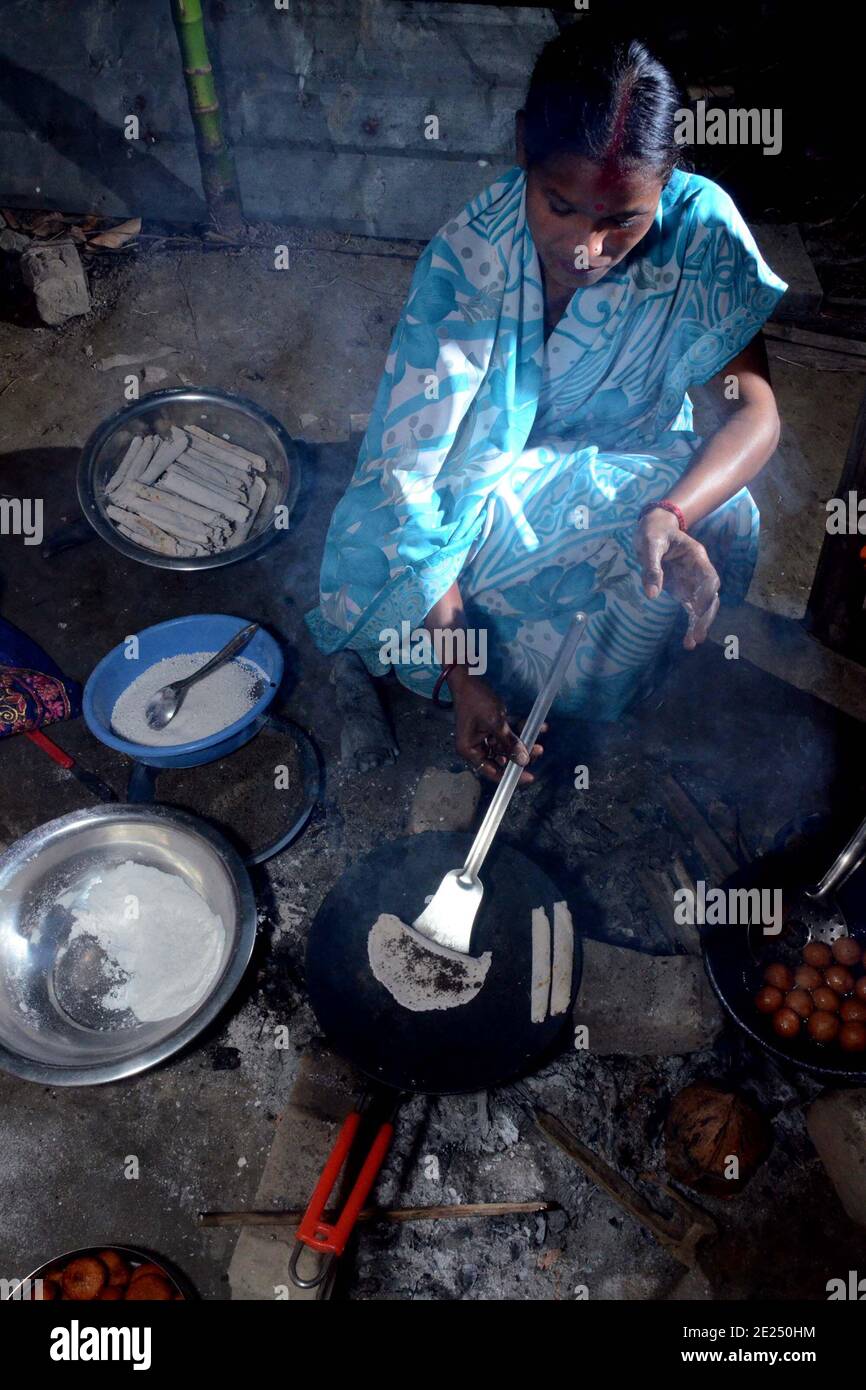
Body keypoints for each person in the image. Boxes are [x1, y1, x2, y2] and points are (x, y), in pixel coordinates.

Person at [306, 26, 786, 784]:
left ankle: (599, 690)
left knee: (723, 515)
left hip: (629, 466)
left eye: (623, 220)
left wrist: (674, 512)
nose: (588, 249)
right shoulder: (466, 268)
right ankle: (476, 679)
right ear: (524, 145)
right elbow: (415, 491)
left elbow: (752, 410)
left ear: (666, 180)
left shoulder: (698, 233)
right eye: (562, 206)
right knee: (392, 557)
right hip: (482, 491)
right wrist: (466, 677)